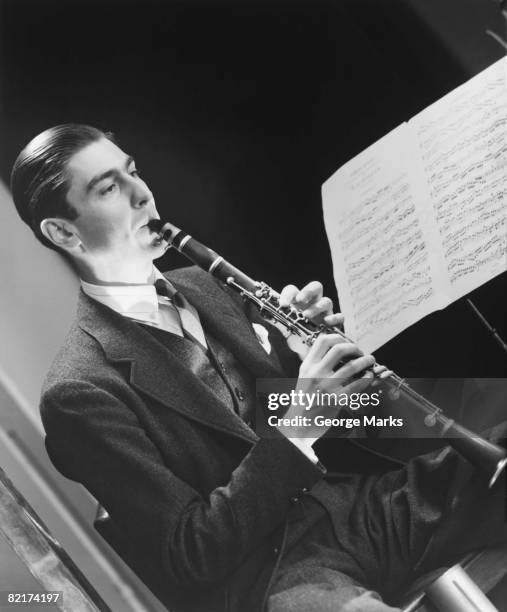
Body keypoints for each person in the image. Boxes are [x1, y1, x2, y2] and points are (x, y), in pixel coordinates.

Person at [10, 124, 507, 612]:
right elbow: (190, 553)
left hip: (361, 512)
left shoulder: (205, 286)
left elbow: (349, 425)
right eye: (110, 188)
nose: (143, 195)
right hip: (276, 575)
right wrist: (300, 422)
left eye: (134, 171)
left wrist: (311, 359)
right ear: (63, 231)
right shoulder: (77, 392)